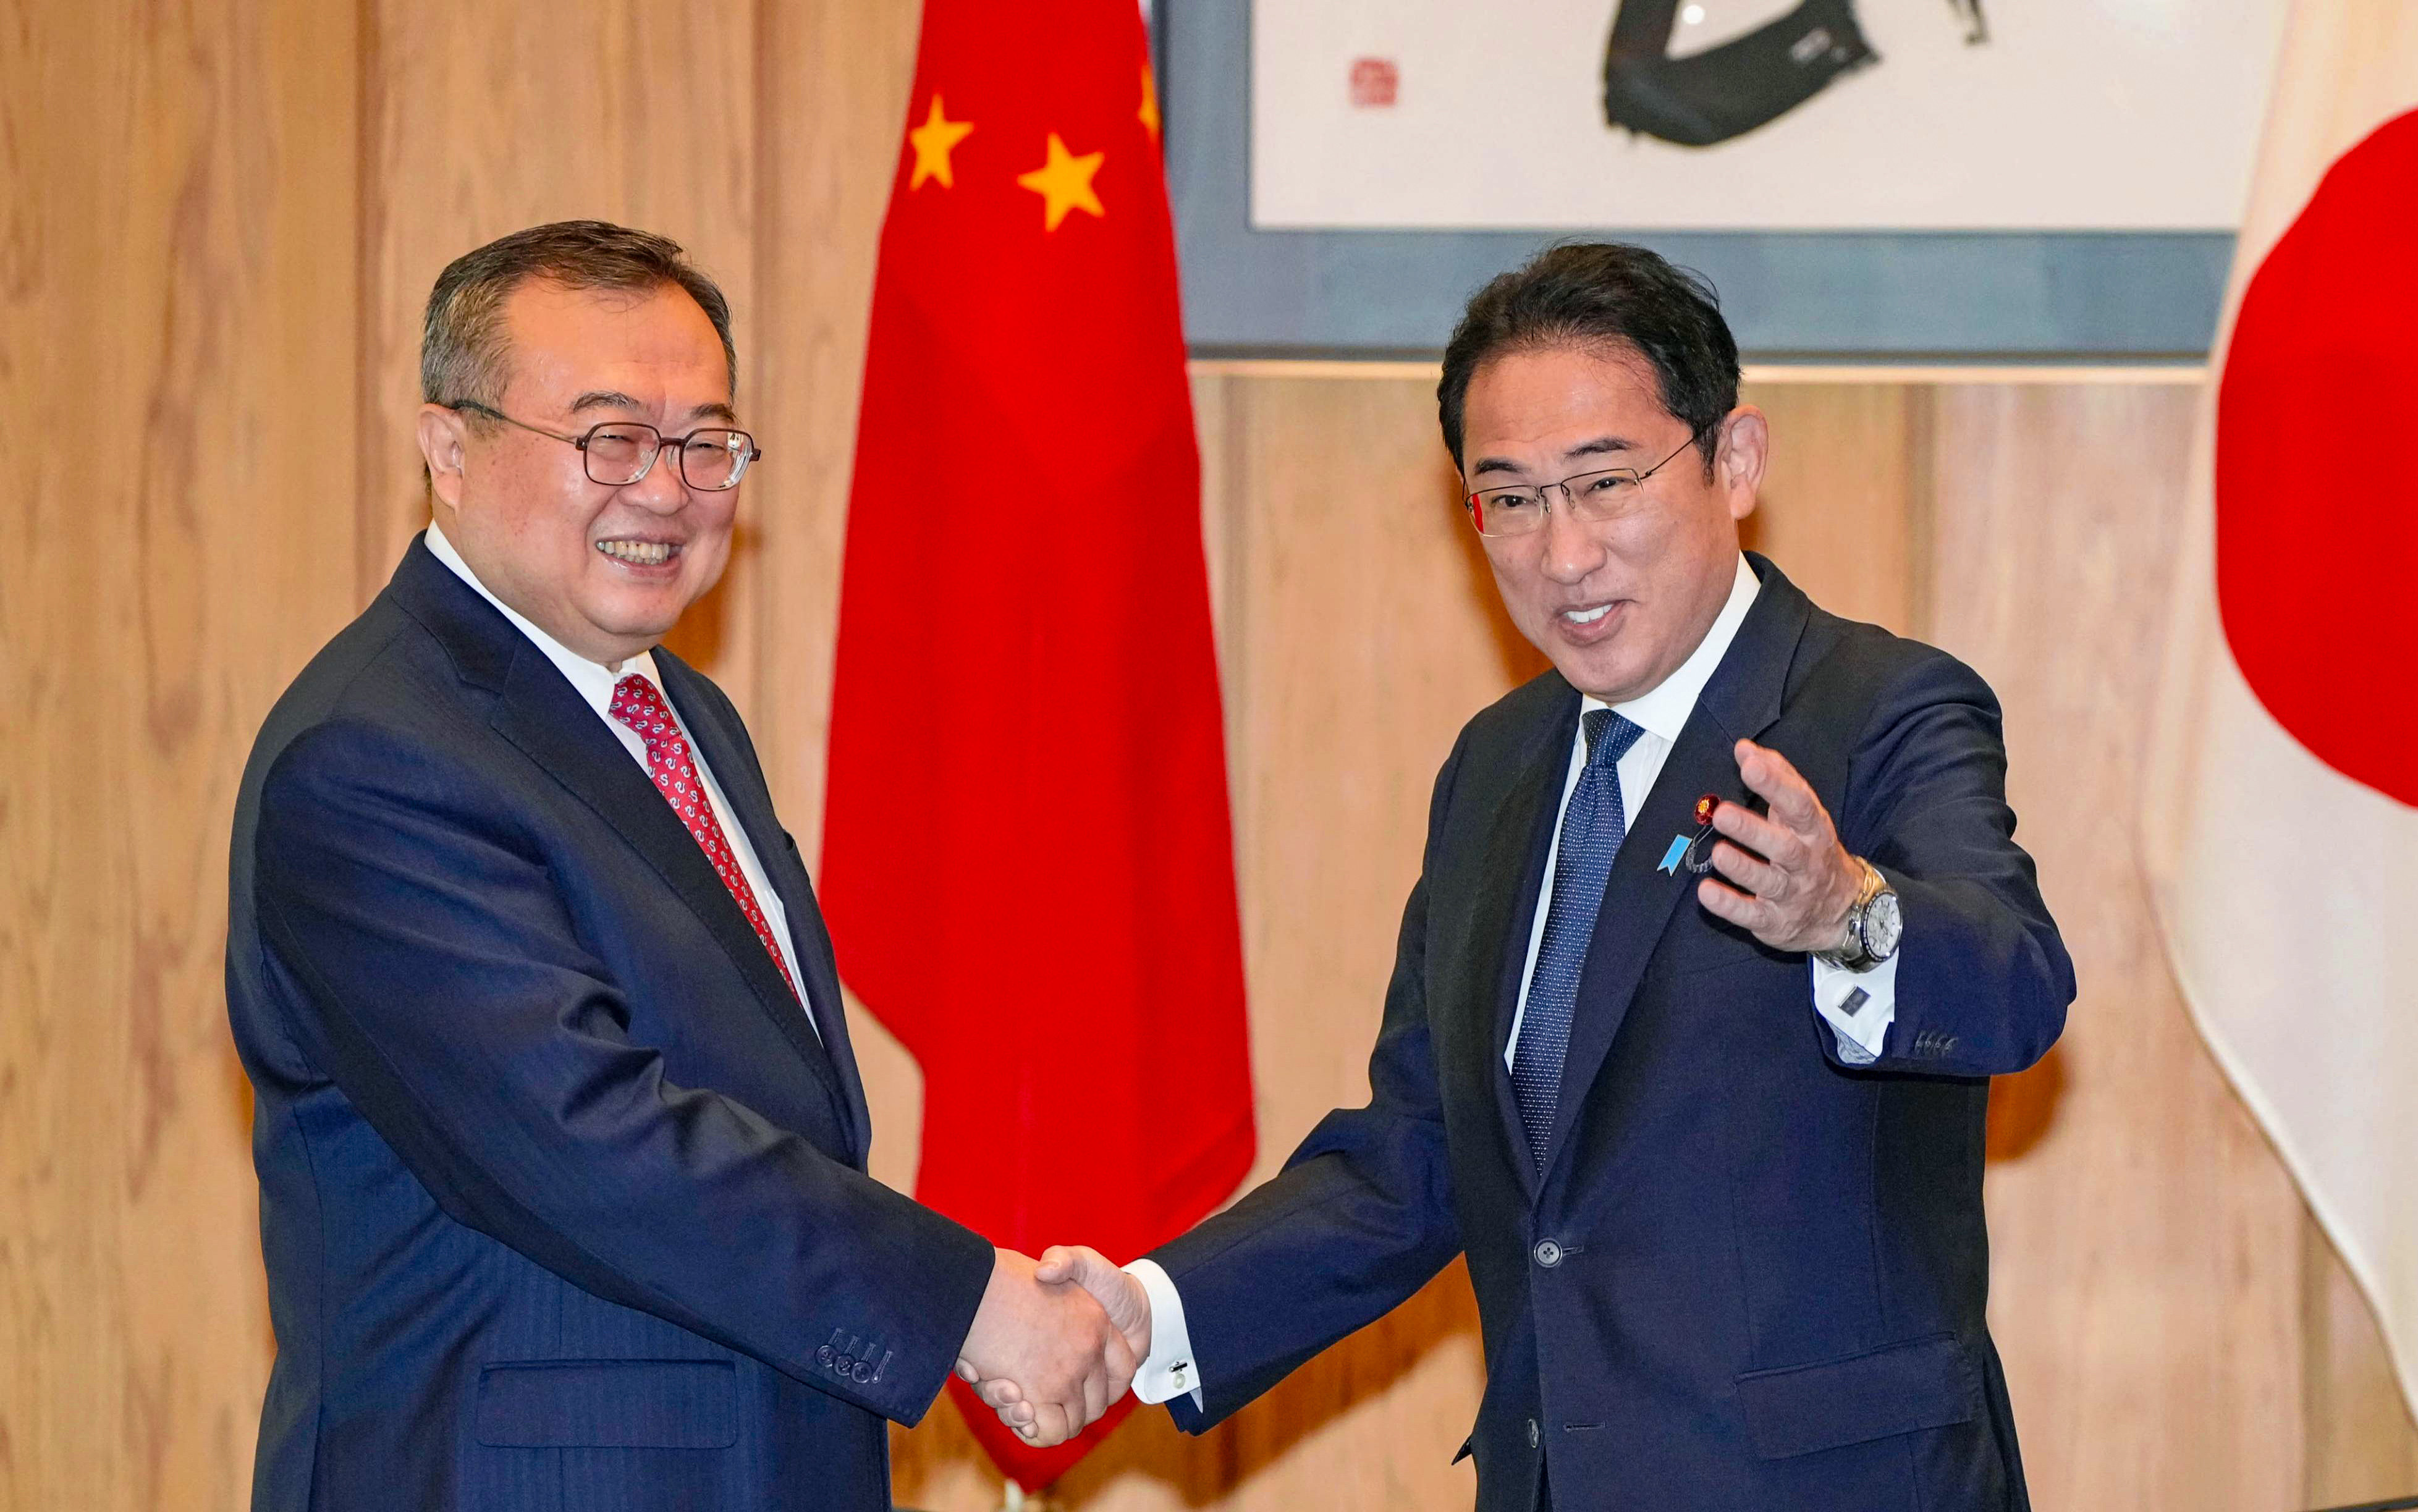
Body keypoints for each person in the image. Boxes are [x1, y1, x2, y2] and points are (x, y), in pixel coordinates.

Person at [973, 242, 2074, 1511]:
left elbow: (2014, 987)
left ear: (1734, 461)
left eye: (1604, 483)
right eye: (1509, 498)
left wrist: (1849, 917)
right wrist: (1147, 1311)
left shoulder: (1877, 706)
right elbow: (1417, 1150)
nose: (1561, 557)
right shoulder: (1497, 767)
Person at [224, 220, 1130, 1512]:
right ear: (448, 450)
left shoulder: (677, 711)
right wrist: (967, 1302)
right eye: (608, 438)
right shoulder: (374, 758)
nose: (664, 489)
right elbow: (593, 1142)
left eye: (706, 442)